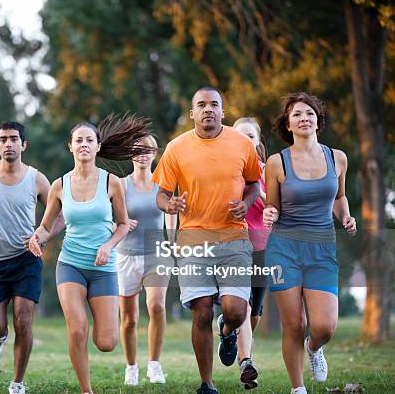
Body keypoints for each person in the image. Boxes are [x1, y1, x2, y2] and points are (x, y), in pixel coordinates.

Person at [27, 115, 154, 394]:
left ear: (97, 147)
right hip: (70, 264)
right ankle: (87, 391)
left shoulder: (112, 183)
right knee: (78, 329)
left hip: (104, 268)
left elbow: (123, 224)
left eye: (89, 140)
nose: (84, 144)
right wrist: (37, 238)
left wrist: (108, 246)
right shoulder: (59, 185)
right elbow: (48, 226)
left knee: (106, 342)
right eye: (79, 140)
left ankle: (103, 328)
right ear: (70, 147)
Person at [152, 86, 261, 394]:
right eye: (201, 105)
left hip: (234, 239)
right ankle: (207, 383)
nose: (208, 109)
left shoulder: (241, 144)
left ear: (222, 111)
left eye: (214, 104)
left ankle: (227, 332)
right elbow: (160, 194)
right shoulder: (176, 148)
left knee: (237, 310)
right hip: (192, 241)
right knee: (201, 309)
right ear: (193, 113)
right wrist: (169, 204)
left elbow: (254, 183)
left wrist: (246, 201)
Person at [263, 93, 356, 394]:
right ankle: (297, 388)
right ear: (288, 125)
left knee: (324, 327)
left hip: (322, 248)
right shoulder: (277, 162)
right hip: (284, 248)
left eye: (309, 113)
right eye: (297, 115)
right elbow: (273, 207)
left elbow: (339, 197)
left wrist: (346, 217)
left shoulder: (337, 158)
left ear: (318, 120)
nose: (304, 118)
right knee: (293, 323)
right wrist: (268, 212)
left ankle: (314, 348)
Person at [0, 121, 64, 394]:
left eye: (14, 139)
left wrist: (41, 237)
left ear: (24, 145)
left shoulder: (37, 179)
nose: (8, 144)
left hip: (26, 260)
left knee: (23, 319)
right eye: (3, 139)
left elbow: (61, 215)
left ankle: (17, 383)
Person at [116, 134, 177, 386]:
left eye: (148, 150)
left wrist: (172, 241)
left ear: (155, 154)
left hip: (156, 251)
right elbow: (108, 216)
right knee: (129, 318)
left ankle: (154, 364)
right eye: (137, 150)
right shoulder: (119, 185)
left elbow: (171, 212)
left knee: (156, 306)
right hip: (125, 255)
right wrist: (119, 223)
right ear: (131, 154)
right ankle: (131, 367)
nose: (142, 154)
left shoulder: (162, 184)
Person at [232, 117, 269, 389]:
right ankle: (246, 362)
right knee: (242, 306)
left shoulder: (270, 171)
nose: (246, 141)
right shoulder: (228, 171)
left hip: (264, 249)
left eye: (251, 137)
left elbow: (279, 207)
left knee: (254, 311)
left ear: (258, 142)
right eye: (240, 136)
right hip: (234, 246)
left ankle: (230, 334)